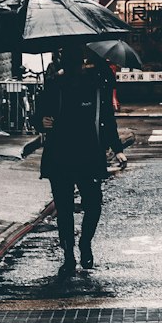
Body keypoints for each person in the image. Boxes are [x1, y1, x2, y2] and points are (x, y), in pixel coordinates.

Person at [36, 47, 125, 275]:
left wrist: (117, 148)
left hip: (87, 153)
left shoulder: (95, 86)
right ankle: (69, 254)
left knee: (92, 204)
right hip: (62, 154)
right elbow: (41, 116)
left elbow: (106, 119)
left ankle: (84, 243)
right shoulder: (54, 85)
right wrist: (42, 122)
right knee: (65, 209)